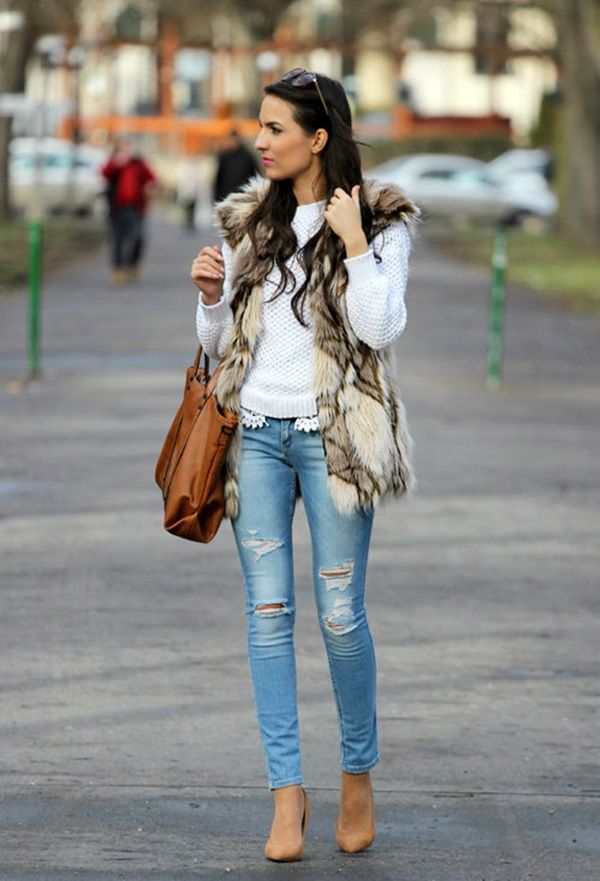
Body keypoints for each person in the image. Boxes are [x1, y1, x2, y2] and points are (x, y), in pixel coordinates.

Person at [190, 68, 418, 862]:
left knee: (339, 615)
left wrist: (353, 241)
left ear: (318, 138)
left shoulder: (381, 220)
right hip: (254, 436)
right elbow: (222, 349)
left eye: (274, 129)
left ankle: (357, 776)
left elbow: (380, 326)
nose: (259, 141)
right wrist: (212, 298)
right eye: (259, 126)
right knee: (267, 617)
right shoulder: (250, 220)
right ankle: (286, 795)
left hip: (335, 439)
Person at [101, 137, 157, 285]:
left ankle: (133, 265)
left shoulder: (138, 163)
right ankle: (118, 269)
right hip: (117, 207)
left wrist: (150, 186)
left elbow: (152, 178)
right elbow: (104, 174)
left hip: (136, 208)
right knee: (118, 239)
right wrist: (116, 164)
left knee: (138, 237)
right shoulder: (114, 163)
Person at [213, 128, 260, 203]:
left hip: (242, 197)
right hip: (226, 196)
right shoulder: (224, 156)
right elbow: (219, 177)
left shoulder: (247, 156)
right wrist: (217, 197)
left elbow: (254, 176)